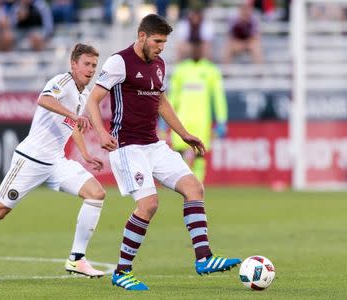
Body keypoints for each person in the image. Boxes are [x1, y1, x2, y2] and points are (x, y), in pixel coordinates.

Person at [85, 14, 241, 291]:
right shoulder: (119, 62)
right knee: (149, 205)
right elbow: (93, 100)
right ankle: (122, 271)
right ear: (142, 36)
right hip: (127, 146)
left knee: (194, 187)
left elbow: (161, 101)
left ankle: (204, 258)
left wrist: (184, 133)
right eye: (157, 41)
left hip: (153, 144)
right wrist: (100, 133)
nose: (161, 47)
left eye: (164, 42)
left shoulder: (159, 64)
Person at [0, 43, 107, 281]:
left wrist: (84, 154)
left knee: (96, 194)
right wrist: (74, 114)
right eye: (86, 64)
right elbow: (43, 99)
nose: (91, 69)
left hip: (56, 162)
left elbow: (71, 126)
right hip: (31, 160)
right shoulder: (62, 82)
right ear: (73, 64)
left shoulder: (84, 93)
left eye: (94, 65)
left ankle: (77, 259)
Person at [168, 40, 227, 183]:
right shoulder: (180, 70)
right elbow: (172, 97)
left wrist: (221, 121)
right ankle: (182, 184)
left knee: (200, 154)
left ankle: (198, 185)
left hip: (202, 120)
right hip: (182, 119)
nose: (196, 50)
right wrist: (164, 122)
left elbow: (218, 98)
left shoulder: (211, 71)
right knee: (180, 154)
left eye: (199, 47)